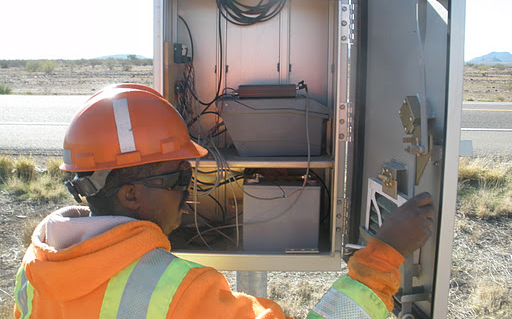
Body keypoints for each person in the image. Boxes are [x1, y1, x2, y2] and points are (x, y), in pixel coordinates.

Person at [14, 84, 434, 319]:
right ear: (130, 194)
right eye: (180, 176)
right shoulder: (181, 293)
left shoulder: (34, 271)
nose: (191, 189)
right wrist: (384, 256)